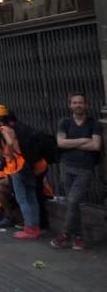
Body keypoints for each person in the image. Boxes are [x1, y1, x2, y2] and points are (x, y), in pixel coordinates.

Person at [51, 93, 100, 250]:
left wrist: (70, 143)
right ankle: (79, 237)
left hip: (85, 168)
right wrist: (84, 140)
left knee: (72, 201)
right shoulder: (64, 122)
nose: (78, 105)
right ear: (70, 105)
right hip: (67, 167)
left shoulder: (94, 124)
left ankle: (65, 234)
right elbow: (60, 143)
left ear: (86, 105)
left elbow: (96, 146)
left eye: (80, 102)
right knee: (73, 203)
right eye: (74, 102)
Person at [0, 105, 41, 239]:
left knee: (22, 199)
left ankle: (29, 229)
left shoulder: (3, 129)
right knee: (31, 197)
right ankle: (35, 227)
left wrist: (10, 153)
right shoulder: (16, 127)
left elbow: (10, 142)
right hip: (28, 164)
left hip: (17, 167)